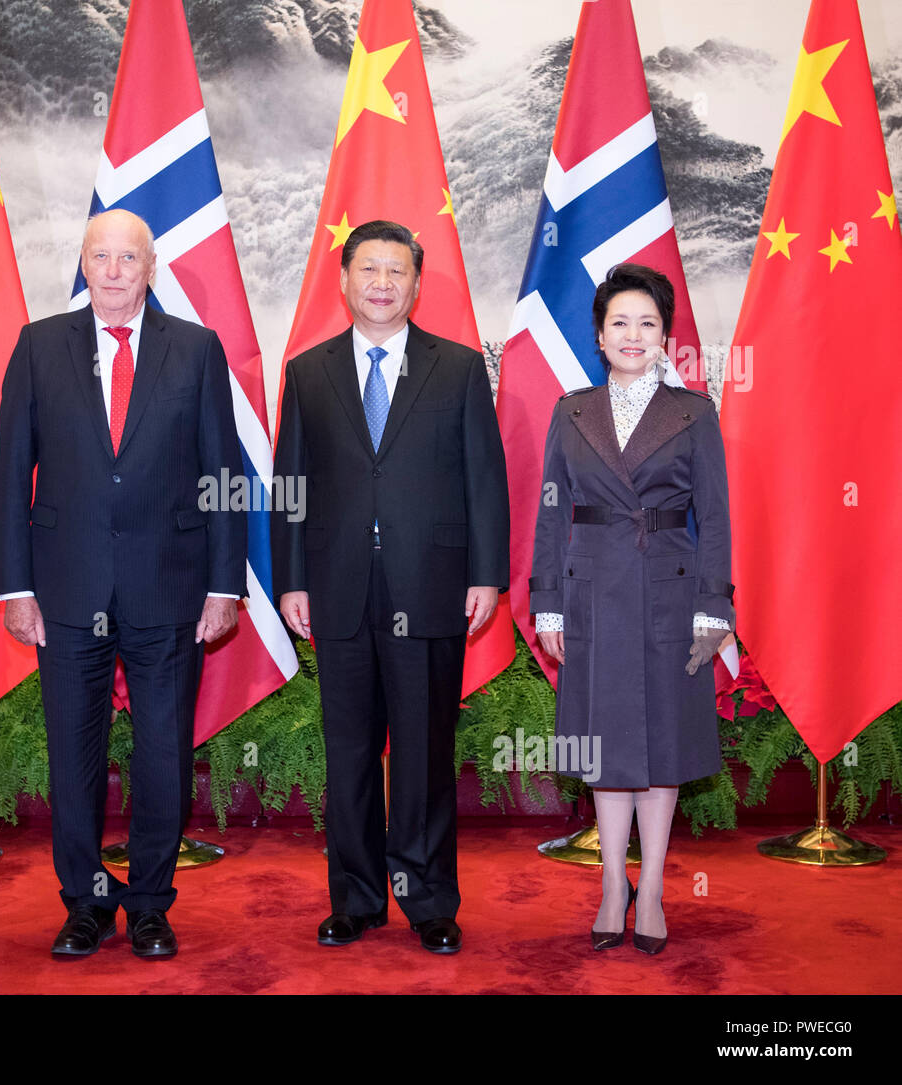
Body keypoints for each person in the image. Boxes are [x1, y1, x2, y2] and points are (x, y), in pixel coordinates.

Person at [0, 209, 245, 960]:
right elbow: (11, 472)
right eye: (99, 256)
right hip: (65, 590)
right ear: (83, 263)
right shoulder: (40, 346)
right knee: (75, 752)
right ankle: (86, 901)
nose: (112, 271)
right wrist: (14, 586)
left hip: (170, 586)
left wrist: (225, 583)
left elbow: (221, 473)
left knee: (164, 751)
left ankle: (151, 905)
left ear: (150, 267)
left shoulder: (195, 350)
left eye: (126, 258)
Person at [272, 219, 509, 954]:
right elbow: (290, 487)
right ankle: (358, 899)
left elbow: (485, 481)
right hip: (337, 589)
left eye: (395, 271)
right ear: (343, 280)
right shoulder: (308, 372)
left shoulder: (460, 367)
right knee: (348, 754)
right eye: (368, 269)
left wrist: (487, 574)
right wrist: (290, 581)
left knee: (423, 752)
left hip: (430, 585)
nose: (381, 283)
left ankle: (429, 897)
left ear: (416, 282)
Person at [529, 262, 733, 955]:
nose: (633, 333)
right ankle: (614, 881)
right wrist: (548, 603)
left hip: (672, 596)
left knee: (661, 747)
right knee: (607, 746)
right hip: (590, 591)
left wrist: (714, 607)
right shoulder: (571, 409)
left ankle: (652, 891)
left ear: (665, 335)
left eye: (647, 322)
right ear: (599, 333)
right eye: (620, 321)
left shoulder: (694, 412)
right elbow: (551, 512)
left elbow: (716, 516)